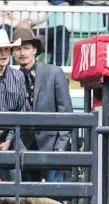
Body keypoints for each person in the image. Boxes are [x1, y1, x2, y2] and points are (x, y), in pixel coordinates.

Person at [11, 28, 72, 182]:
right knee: (28, 200)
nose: (22, 53)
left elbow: (66, 111)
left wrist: (61, 146)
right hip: (23, 148)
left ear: (35, 50)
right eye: (18, 49)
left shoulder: (54, 72)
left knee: (56, 199)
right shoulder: (10, 78)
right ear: (13, 53)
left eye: (26, 48)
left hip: (52, 146)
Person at [0, 29, 30, 182]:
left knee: (13, 184)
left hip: (9, 138)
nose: (3, 54)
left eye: (6, 49)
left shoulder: (18, 76)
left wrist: (9, 140)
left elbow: (22, 110)